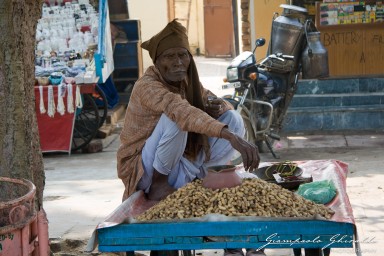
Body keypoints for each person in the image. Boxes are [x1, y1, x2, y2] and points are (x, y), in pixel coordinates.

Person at [116, 19, 264, 256]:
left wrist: (220, 110)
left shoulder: (186, 82)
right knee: (176, 119)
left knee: (232, 118)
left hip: (176, 161)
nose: (177, 63)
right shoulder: (147, 86)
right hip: (144, 170)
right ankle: (159, 186)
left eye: (183, 56)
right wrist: (229, 137)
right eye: (169, 57)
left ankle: (205, 176)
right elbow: (180, 110)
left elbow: (209, 100)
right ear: (157, 61)